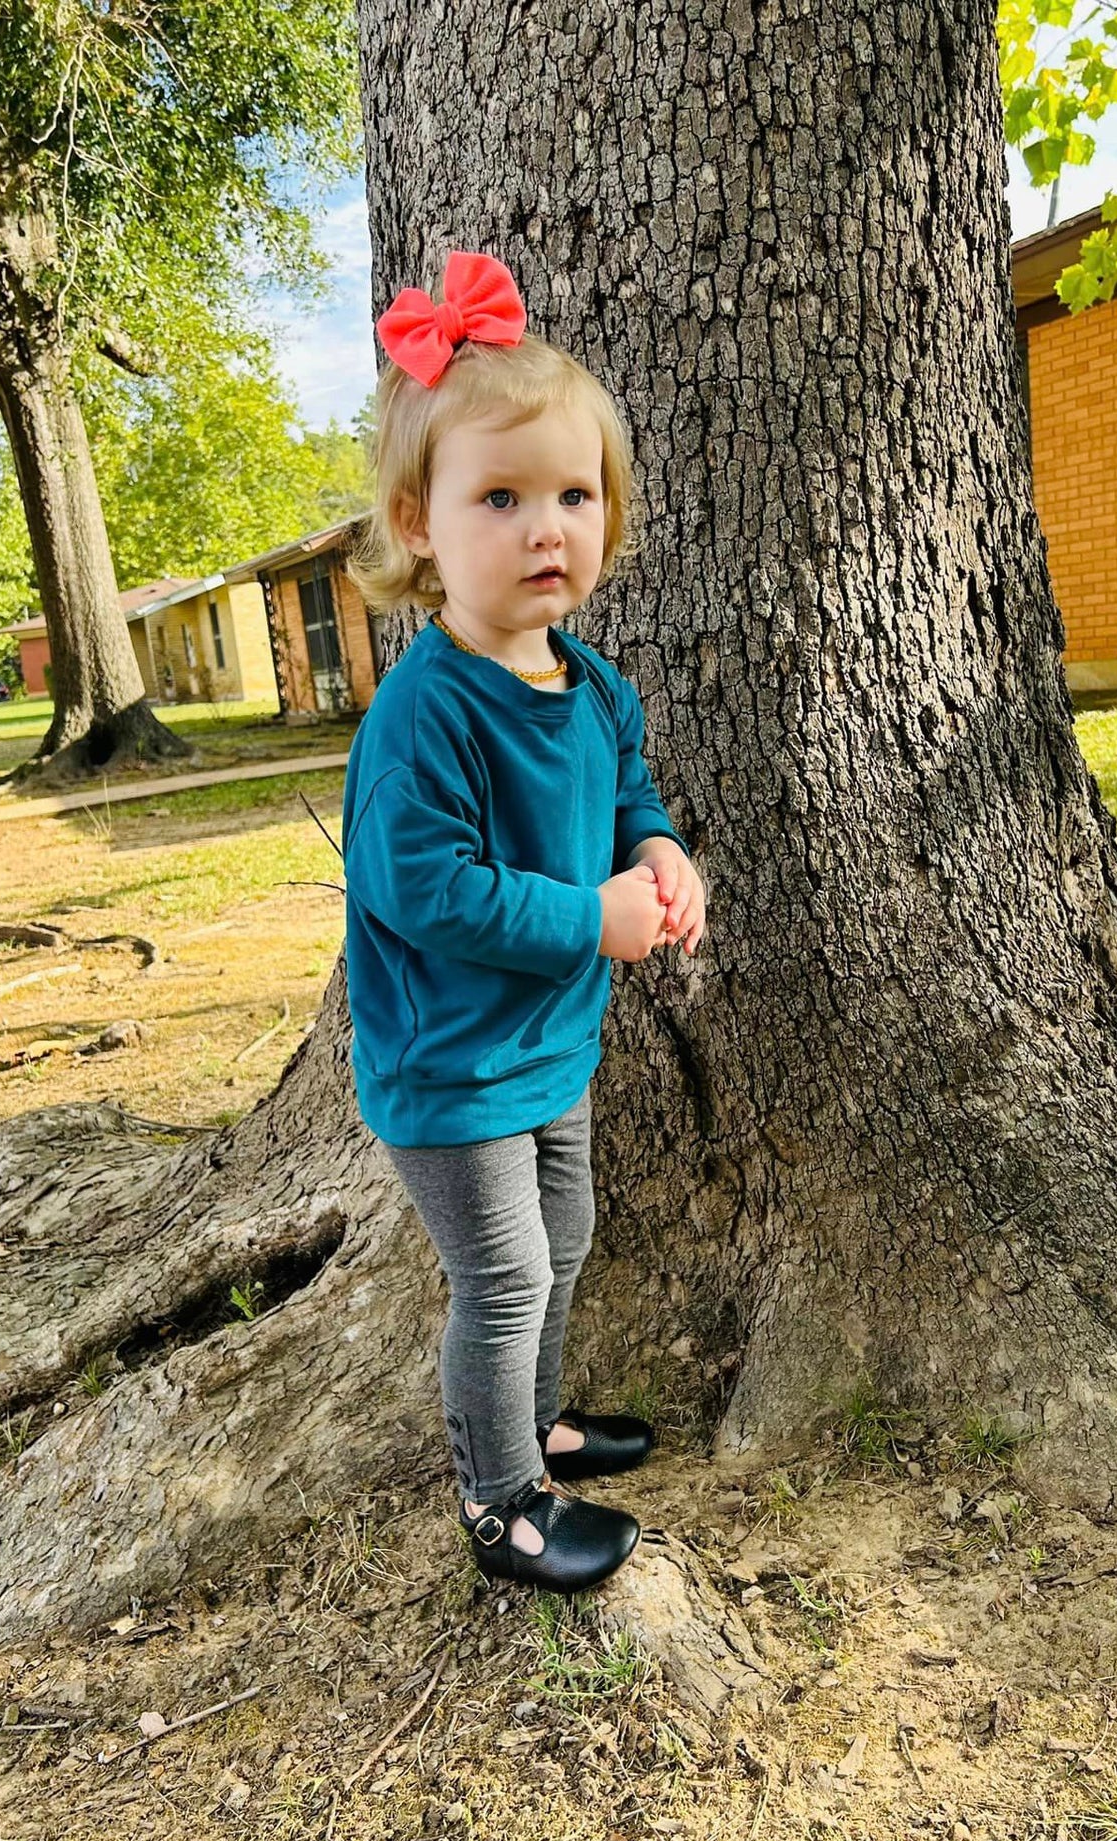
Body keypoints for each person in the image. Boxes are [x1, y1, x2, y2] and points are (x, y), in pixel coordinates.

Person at [342, 250, 707, 1594]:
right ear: (419, 523)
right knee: (501, 1274)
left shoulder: (591, 684)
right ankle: (501, 1504)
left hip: (548, 1045)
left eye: (571, 493)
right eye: (499, 497)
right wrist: (590, 919)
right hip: (452, 1066)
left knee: (568, 1240)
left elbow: (626, 794)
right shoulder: (423, 714)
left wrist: (660, 856)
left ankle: (537, 1427)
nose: (544, 525)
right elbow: (420, 888)